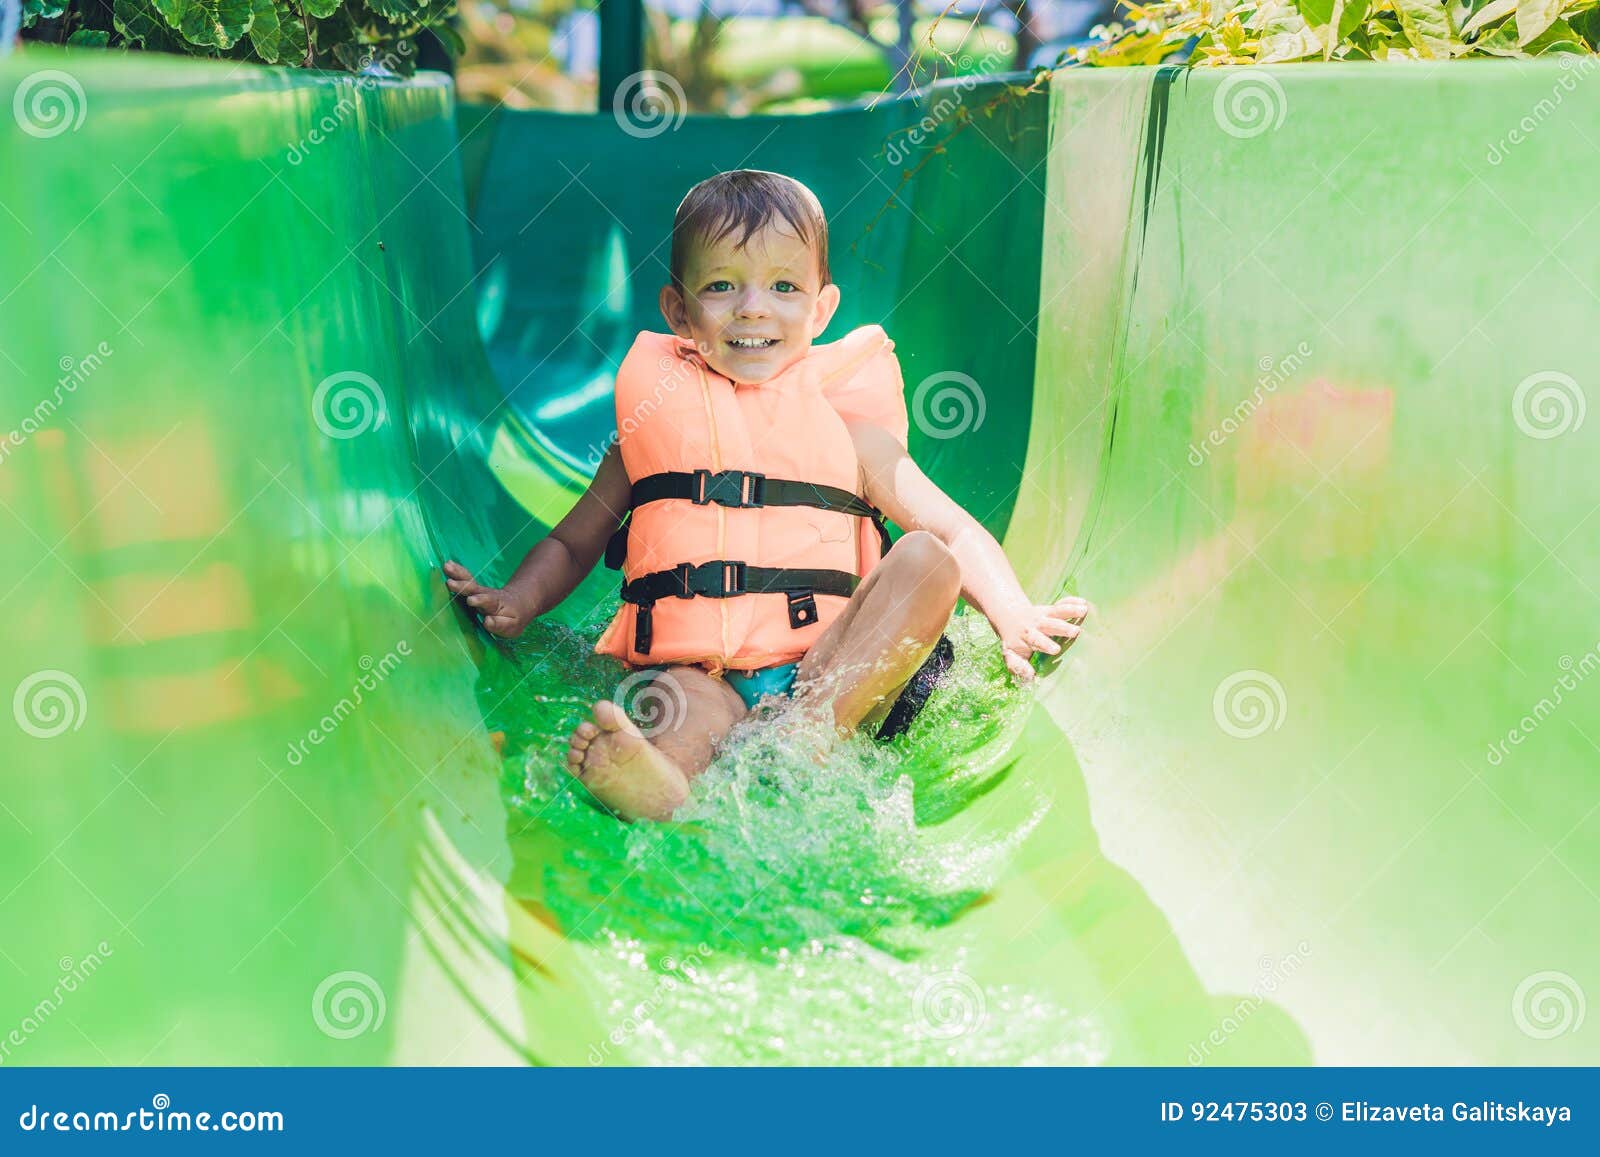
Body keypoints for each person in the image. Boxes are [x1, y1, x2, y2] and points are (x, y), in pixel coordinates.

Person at [443, 169, 1086, 821]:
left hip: (831, 671)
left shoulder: (853, 436)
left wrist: (1013, 612)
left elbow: (955, 534)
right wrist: (518, 600)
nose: (753, 307)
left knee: (926, 562)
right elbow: (572, 542)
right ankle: (662, 779)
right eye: (722, 286)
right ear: (678, 310)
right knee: (686, 702)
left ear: (821, 308)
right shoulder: (649, 432)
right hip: (705, 675)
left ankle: (806, 737)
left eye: (784, 287)